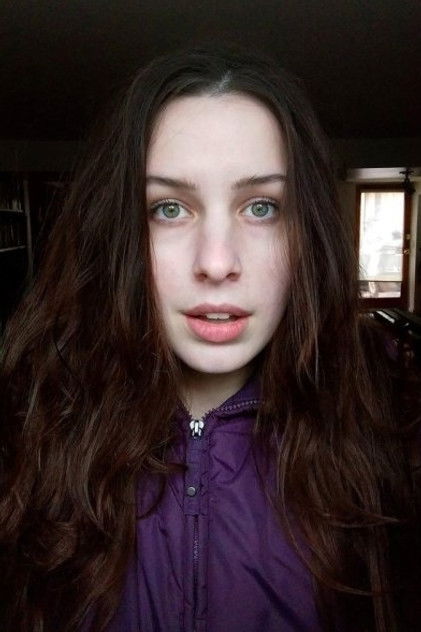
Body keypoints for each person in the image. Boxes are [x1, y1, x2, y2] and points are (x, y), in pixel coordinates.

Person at [0, 43, 420, 632]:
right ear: (118, 233)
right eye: (169, 208)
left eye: (262, 207)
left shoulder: (389, 438)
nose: (217, 263)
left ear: (307, 235)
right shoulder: (30, 435)